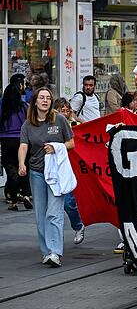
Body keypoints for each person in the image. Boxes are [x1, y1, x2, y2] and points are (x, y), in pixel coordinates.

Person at [18, 87, 75, 267]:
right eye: (41, 98)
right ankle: (45, 251)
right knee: (40, 214)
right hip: (37, 173)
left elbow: (72, 143)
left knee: (54, 212)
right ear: (35, 101)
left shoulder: (59, 119)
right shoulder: (28, 124)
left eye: (48, 98)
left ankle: (55, 252)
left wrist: (57, 147)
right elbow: (23, 146)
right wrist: (22, 163)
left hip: (56, 173)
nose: (45, 101)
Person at [52, 98, 86, 245]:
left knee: (68, 202)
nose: (65, 113)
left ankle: (78, 225)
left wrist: (75, 120)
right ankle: (54, 239)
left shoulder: (75, 125)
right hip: (53, 168)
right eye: (62, 111)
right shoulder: (51, 125)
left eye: (67, 110)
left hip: (71, 168)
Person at [1, 80, 32, 210]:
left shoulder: (2, 107)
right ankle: (26, 195)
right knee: (23, 167)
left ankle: (13, 202)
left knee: (11, 171)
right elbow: (30, 122)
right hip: (22, 141)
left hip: (6, 141)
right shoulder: (24, 106)